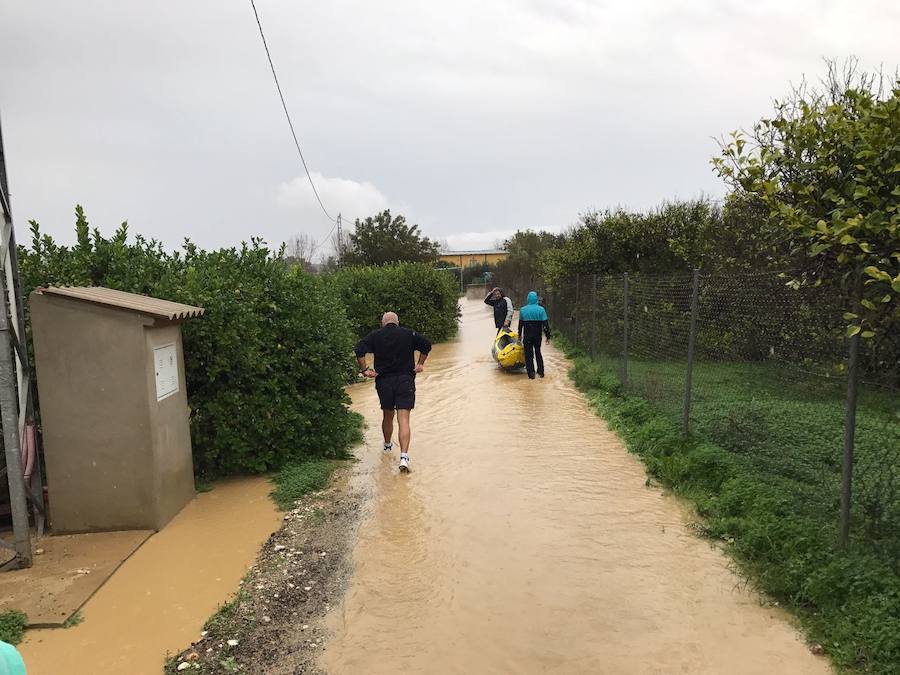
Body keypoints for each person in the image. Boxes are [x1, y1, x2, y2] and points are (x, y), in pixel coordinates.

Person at [355, 312, 432, 473]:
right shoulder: (408, 334)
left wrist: (364, 370)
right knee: (403, 419)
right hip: (405, 380)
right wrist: (419, 364)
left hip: (384, 382)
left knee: (387, 415)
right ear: (397, 322)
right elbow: (426, 345)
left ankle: (388, 446)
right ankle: (404, 457)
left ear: (383, 323)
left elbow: (359, 349)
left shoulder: (375, 335)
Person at [517, 291, 551, 379]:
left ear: (528, 299)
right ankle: (541, 372)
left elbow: (520, 324)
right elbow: (546, 325)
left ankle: (531, 374)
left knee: (528, 355)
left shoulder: (523, 310)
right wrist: (548, 336)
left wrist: (519, 335)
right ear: (536, 299)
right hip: (537, 336)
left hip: (527, 336)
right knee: (538, 352)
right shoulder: (541, 310)